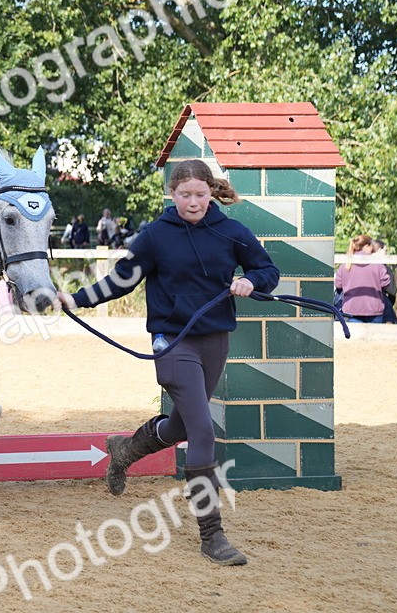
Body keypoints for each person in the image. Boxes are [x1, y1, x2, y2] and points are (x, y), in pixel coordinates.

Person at [56, 159, 280, 566]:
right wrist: (76, 299)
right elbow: (120, 279)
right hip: (172, 342)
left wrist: (252, 281)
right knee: (202, 430)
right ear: (172, 194)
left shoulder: (232, 231)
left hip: (214, 340)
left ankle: (124, 450)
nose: (193, 202)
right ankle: (212, 536)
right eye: (184, 195)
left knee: (180, 425)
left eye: (200, 194)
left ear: (211, 192)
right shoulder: (155, 236)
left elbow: (268, 269)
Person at [335, 235, 392, 323]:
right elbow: (385, 283)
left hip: (351, 309)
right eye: (371, 246)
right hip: (374, 309)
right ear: (366, 246)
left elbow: (338, 284)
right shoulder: (377, 264)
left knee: (354, 336)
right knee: (374, 336)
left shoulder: (346, 264)